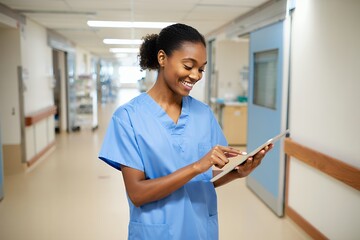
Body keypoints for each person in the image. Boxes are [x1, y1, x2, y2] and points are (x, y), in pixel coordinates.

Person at [98, 23, 272, 240]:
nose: (196, 75)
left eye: (201, 69)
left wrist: (237, 173)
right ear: (162, 58)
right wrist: (197, 166)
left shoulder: (203, 114)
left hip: (200, 230)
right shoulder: (128, 118)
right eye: (188, 66)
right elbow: (137, 193)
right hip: (158, 232)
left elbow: (204, 180)